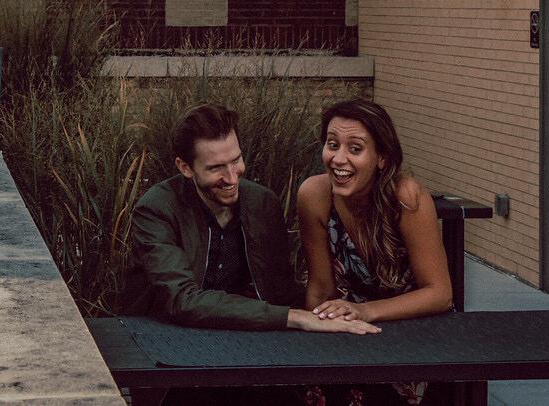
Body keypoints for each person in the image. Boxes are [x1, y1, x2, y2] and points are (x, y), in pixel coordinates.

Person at [126, 104, 379, 405]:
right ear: (185, 167)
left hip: (247, 346)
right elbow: (182, 300)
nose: (232, 177)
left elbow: (279, 290)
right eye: (216, 168)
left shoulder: (262, 203)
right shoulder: (156, 209)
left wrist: (335, 312)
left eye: (236, 160)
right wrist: (293, 318)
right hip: (171, 350)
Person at [297, 99, 454, 406]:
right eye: (332, 144)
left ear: (381, 157)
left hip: (415, 329)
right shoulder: (313, 196)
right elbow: (320, 289)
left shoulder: (407, 199)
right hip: (352, 331)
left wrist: (366, 310)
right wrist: (316, 338)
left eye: (355, 149)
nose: (338, 159)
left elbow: (440, 294)